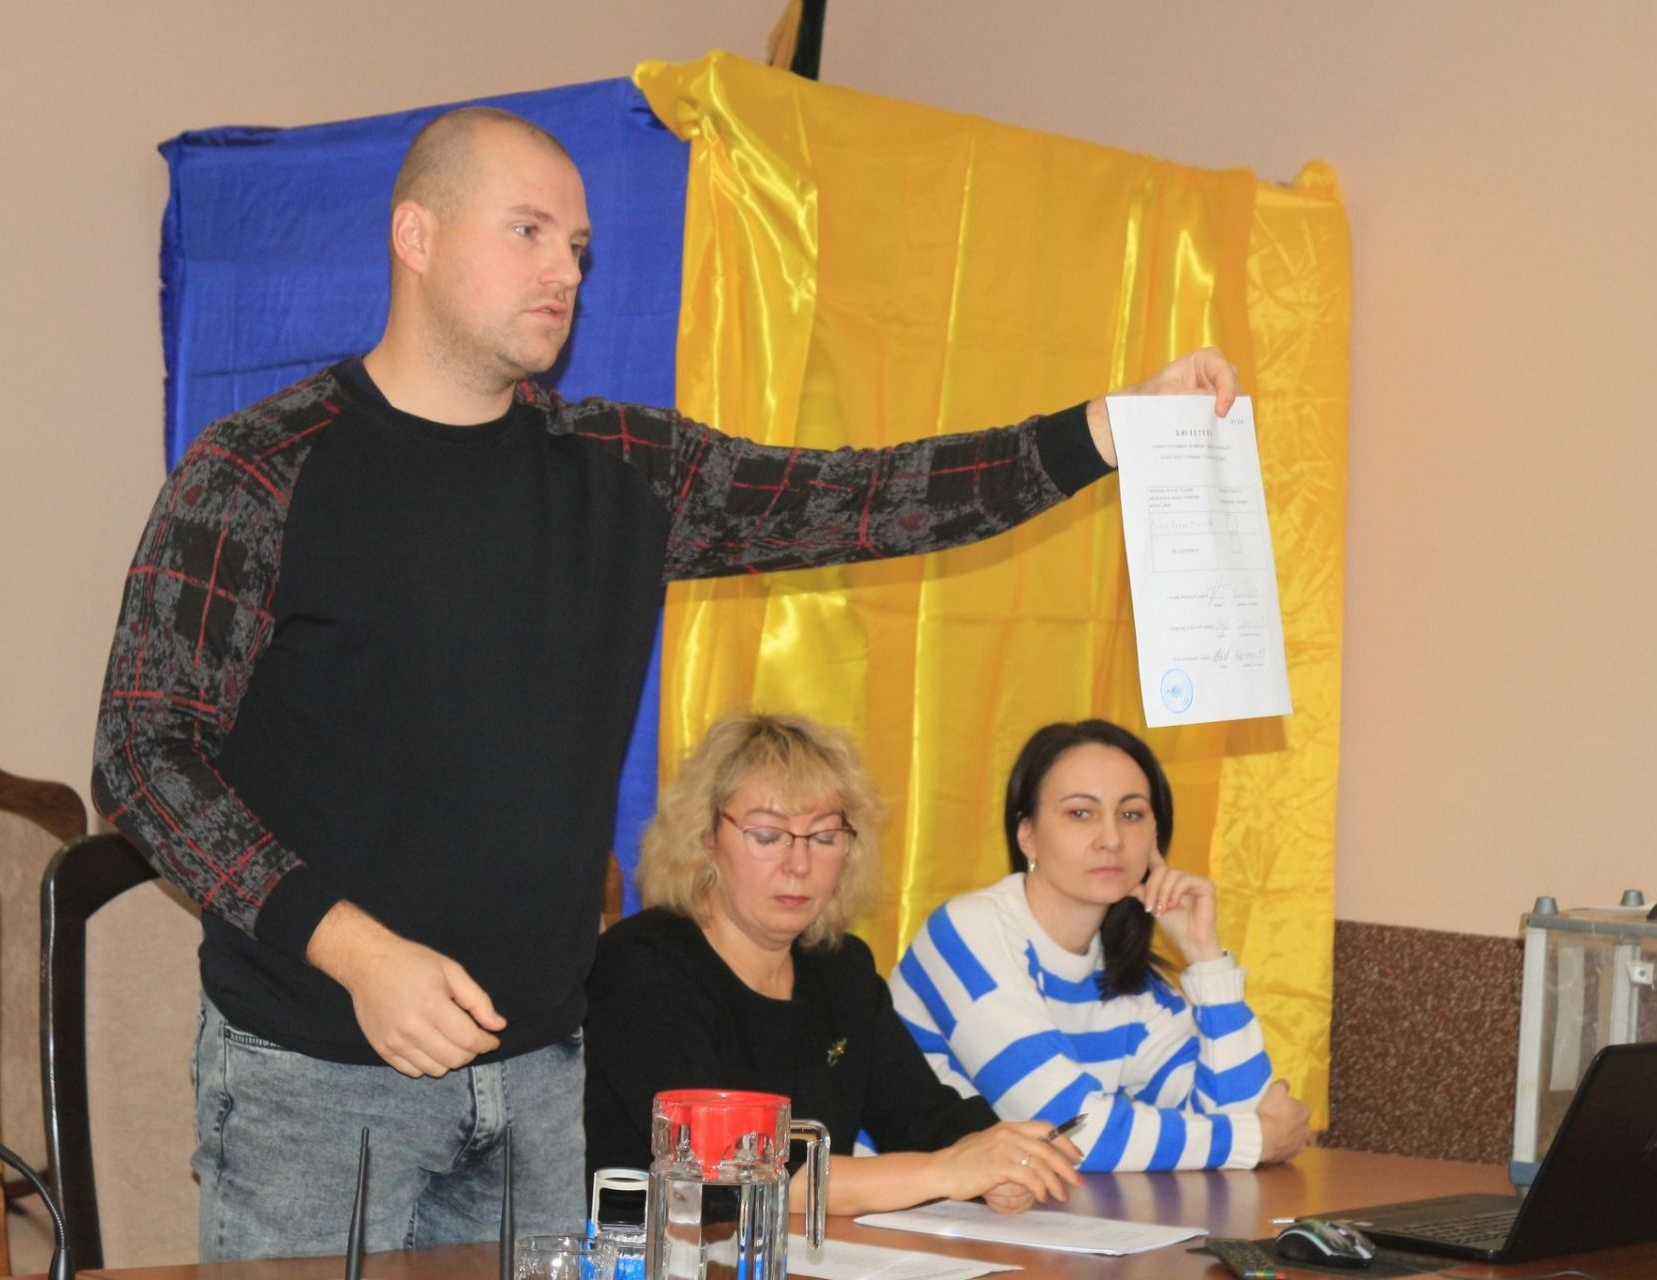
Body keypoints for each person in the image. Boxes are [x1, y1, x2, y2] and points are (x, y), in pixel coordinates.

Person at [90, 105, 1239, 1261]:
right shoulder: (258, 471)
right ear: (416, 235)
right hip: (313, 1072)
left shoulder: (623, 471)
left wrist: (1101, 432)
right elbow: (142, 754)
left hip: (536, 1077)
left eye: (579, 248)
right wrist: (354, 949)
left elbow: (868, 496)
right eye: (529, 232)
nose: (565, 271)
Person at [583, 713, 1082, 1215]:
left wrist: (999, 1160)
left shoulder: (841, 970)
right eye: (768, 836)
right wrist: (948, 1170)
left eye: (824, 837)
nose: (799, 865)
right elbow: (730, 1176)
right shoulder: (639, 967)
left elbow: (924, 1119)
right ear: (705, 838)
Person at [890, 720, 1312, 1171]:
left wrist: (1205, 957)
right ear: (1027, 834)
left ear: (1154, 836)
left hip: (1029, 1208)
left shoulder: (1135, 985)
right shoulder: (967, 932)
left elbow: (1241, 1112)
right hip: (895, 1206)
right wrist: (1256, 1139)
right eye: (1080, 813)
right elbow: (1065, 1131)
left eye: (1131, 815)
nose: (1111, 839)